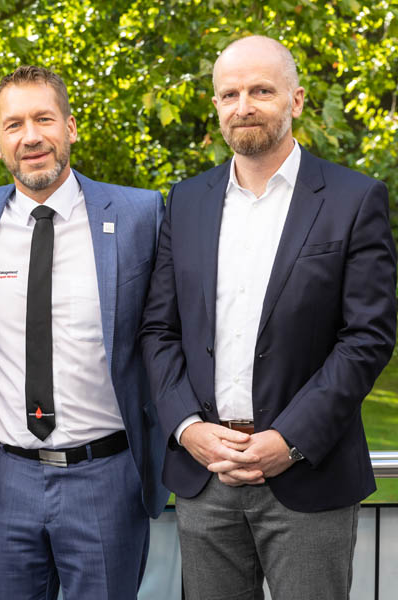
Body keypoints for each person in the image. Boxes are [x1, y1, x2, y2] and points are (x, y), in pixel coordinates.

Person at [139, 35, 397, 599]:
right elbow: (159, 331)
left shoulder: (354, 200)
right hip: (206, 476)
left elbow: (367, 338)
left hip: (308, 474)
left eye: (261, 90)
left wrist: (290, 439)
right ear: (216, 107)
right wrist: (187, 428)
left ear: (297, 100)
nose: (244, 105)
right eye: (229, 93)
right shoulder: (185, 202)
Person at [0, 65, 168, 599]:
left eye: (44, 118)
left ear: (70, 126)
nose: (31, 136)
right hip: (5, 480)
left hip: (106, 476)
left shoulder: (139, 214)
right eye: (14, 124)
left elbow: (170, 328)